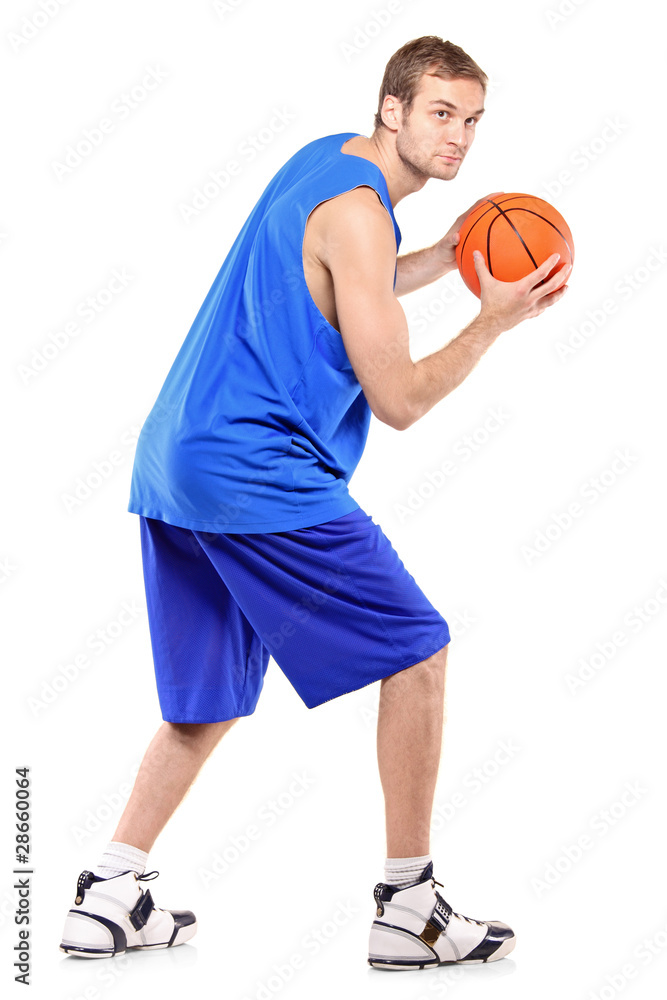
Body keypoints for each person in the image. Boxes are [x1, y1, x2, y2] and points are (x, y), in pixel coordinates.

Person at [59, 35, 569, 969]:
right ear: (393, 110)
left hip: (178, 459)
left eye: (471, 120)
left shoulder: (328, 165)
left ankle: (110, 890)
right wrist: (491, 320)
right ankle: (407, 905)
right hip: (255, 471)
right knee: (418, 653)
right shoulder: (363, 217)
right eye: (440, 114)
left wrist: (449, 257)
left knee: (202, 701)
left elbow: (350, 278)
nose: (457, 139)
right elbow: (401, 401)